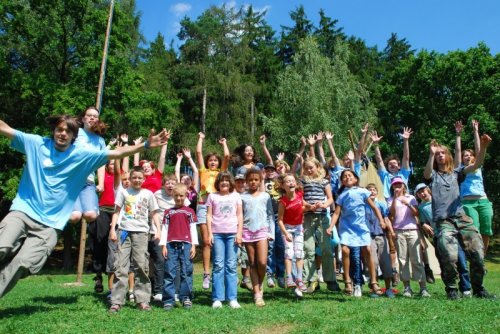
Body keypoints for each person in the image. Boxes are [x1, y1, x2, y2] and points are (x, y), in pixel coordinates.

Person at [0, 115, 169, 298]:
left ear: (74, 136)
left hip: (50, 224)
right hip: (23, 211)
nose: (63, 133)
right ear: (53, 131)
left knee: (25, 264)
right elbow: (6, 129)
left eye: (68, 131)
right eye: (60, 129)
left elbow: (117, 153)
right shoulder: (36, 144)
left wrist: (144, 145)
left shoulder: (82, 156)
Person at [423, 135, 494, 299]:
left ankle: (479, 289)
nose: (440, 155)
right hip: (443, 221)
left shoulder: (457, 173)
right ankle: (452, 289)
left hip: (461, 218)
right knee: (449, 255)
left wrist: (483, 147)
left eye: (443, 153)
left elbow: (477, 164)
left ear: (448, 156)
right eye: (438, 153)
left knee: (477, 251)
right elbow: (426, 175)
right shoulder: (433, 175)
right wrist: (431, 153)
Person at [108, 166, 161, 312]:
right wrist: (113, 230)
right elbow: (116, 212)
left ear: (144, 179)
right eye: (134, 177)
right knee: (121, 266)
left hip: (142, 233)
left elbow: (155, 213)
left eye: (140, 178)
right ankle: (117, 301)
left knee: (141, 265)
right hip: (124, 231)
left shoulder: (148, 194)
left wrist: (158, 230)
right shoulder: (123, 193)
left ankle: (142, 300)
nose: (137, 180)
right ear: (130, 179)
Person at [326, 170, 384, 298]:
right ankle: (347, 281)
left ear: (356, 179)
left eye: (349, 175)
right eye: (344, 177)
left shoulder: (363, 191)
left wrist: (381, 220)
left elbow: (374, 207)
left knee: (368, 250)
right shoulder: (342, 195)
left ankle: (373, 282)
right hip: (346, 227)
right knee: (345, 251)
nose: (347, 177)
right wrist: (330, 227)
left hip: (361, 227)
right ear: (342, 181)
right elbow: (336, 213)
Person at [415, 183, 472, 298]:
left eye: (423, 190)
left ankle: (466, 289)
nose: (422, 193)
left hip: (453, 234)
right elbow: (422, 221)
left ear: (428, 190)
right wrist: (423, 224)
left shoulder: (439, 199)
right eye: (419, 192)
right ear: (417, 195)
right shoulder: (421, 207)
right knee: (444, 264)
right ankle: (451, 290)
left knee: (461, 262)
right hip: (438, 237)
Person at [91, 135, 130, 294]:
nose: (113, 165)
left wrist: (123, 147)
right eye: (111, 162)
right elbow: (100, 158)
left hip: (116, 213)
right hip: (103, 210)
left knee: (114, 247)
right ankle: (98, 274)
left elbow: (123, 164)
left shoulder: (120, 179)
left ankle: (114, 278)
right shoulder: (102, 174)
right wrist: (109, 145)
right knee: (99, 241)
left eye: (116, 163)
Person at [196, 132, 230, 290]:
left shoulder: (220, 174)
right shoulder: (203, 171)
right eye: (211, 160)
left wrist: (223, 144)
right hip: (203, 205)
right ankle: (206, 274)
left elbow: (227, 156)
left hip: (218, 207)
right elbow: (197, 153)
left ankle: (220, 271)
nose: (213, 162)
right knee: (207, 241)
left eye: (216, 160)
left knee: (218, 240)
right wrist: (201, 139)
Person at [454, 120, 494, 254]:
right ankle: (475, 255)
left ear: (473, 158)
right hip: (468, 202)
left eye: (470, 155)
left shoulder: (478, 166)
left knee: (486, 230)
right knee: (474, 229)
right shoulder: (460, 169)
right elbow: (458, 151)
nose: (467, 156)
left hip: (483, 201)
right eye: (465, 155)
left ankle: (481, 257)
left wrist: (476, 131)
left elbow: (479, 150)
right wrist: (458, 135)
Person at [300, 157, 338, 293]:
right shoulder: (303, 181)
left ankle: (330, 279)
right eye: (306, 168)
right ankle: (311, 280)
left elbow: (330, 198)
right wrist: (309, 206)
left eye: (311, 167)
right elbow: (301, 198)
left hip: (322, 217)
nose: (309, 170)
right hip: (308, 217)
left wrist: (323, 205)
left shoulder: (324, 181)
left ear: (317, 167)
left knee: (326, 248)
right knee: (308, 249)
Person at [388, 177, 430, 298]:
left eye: (399, 184)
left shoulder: (411, 198)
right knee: (402, 260)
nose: (397, 187)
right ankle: (407, 288)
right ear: (392, 187)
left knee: (417, 259)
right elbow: (392, 214)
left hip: (412, 230)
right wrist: (396, 199)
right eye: (395, 185)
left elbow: (416, 213)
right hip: (399, 231)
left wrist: (407, 204)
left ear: (404, 186)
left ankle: (423, 288)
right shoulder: (390, 199)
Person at [206, 172, 243, 309]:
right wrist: (210, 234)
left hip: (232, 234)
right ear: (218, 183)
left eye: (227, 180)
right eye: (222, 181)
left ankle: (232, 298)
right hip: (217, 234)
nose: (224, 183)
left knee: (231, 266)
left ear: (231, 183)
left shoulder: (236, 196)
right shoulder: (212, 196)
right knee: (218, 265)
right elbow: (209, 216)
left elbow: (239, 215)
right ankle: (217, 298)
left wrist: (239, 233)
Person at [159, 183, 198, 311]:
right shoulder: (168, 212)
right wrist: (163, 245)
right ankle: (168, 299)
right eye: (176, 196)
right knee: (169, 271)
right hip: (170, 245)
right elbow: (164, 229)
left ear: (185, 195)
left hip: (186, 245)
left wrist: (194, 245)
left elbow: (193, 229)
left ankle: (185, 297)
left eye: (181, 195)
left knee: (186, 271)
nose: (179, 198)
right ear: (173, 196)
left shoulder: (190, 211)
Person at [241, 169, 274, 307]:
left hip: (262, 231)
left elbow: (270, 215)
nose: (253, 182)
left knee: (262, 262)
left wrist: (271, 232)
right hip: (247, 232)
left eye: (256, 180)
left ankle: (259, 284)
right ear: (246, 182)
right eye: (250, 180)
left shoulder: (265, 196)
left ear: (260, 181)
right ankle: (257, 293)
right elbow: (240, 216)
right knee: (252, 262)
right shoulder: (242, 197)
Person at [69, 106, 106, 226]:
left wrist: (101, 183)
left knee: (91, 215)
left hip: (88, 183)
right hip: (71, 181)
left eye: (95, 116)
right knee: (75, 216)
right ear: (83, 118)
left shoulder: (100, 141)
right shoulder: (75, 133)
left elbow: (101, 164)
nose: (92, 118)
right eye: (89, 115)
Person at [276, 173, 307, 297]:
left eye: (292, 181)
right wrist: (285, 233)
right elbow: (279, 220)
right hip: (287, 228)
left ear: (296, 183)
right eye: (287, 181)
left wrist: (311, 207)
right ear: (283, 186)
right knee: (289, 253)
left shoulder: (300, 195)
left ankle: (299, 278)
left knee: (299, 253)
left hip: (299, 228)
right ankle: (289, 277)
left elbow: (303, 205)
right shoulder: (283, 202)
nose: (291, 183)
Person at [365, 183, 395, 298]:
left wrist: (391, 231)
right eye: (369, 190)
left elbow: (386, 219)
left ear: (377, 192)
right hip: (369, 236)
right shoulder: (364, 206)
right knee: (373, 262)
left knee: (385, 261)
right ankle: (375, 288)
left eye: (374, 190)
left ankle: (388, 289)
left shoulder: (381, 205)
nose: (372, 191)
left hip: (381, 235)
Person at [370, 127, 413, 199]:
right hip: (389, 201)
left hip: (404, 200)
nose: (392, 164)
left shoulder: (403, 174)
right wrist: (375, 144)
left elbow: (406, 158)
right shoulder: (385, 176)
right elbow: (379, 160)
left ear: (399, 166)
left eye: (394, 163)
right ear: (387, 167)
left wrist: (405, 140)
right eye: (390, 164)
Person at [175, 148, 199, 213]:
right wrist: (179, 159)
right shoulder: (179, 189)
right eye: (183, 179)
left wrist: (189, 158)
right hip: (182, 215)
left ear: (191, 182)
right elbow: (177, 171)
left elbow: (196, 171)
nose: (186, 180)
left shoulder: (194, 189)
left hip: (193, 217)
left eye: (188, 179)